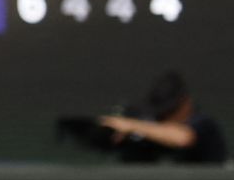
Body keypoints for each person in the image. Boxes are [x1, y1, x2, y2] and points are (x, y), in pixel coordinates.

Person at [95, 71, 227, 165]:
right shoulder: (153, 129)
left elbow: (182, 138)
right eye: (163, 111)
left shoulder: (203, 123)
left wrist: (131, 125)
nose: (166, 116)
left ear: (186, 103)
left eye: (171, 110)